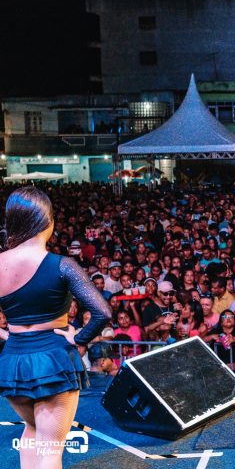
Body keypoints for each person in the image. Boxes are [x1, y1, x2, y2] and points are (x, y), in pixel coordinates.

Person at [0, 186, 111, 469]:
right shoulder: (63, 265)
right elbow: (102, 312)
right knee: (50, 449)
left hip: (13, 360)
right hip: (53, 358)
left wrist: (8, 335)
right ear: (48, 222)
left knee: (31, 432)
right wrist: (80, 339)